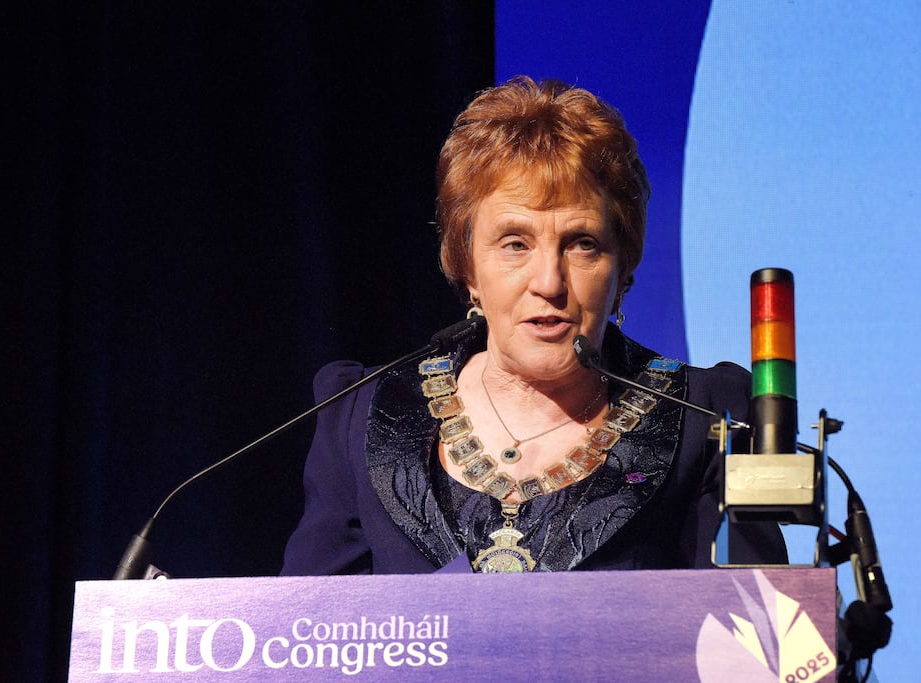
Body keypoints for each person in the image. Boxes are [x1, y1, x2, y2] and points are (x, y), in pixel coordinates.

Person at [281, 76, 785, 574]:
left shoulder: (703, 418)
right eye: (515, 244)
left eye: (582, 244)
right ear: (467, 267)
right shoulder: (363, 415)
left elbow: (761, 619)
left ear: (622, 268)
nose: (549, 282)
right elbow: (307, 622)